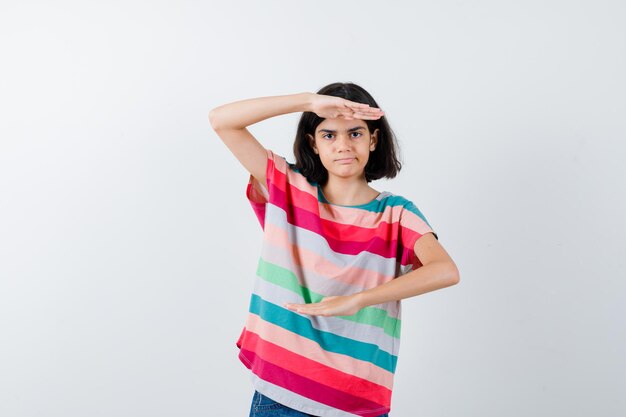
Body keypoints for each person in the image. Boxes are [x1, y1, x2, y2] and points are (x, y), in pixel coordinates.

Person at [208, 82, 460, 417]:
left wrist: (356, 300)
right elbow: (222, 120)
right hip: (282, 394)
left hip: (356, 400)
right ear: (312, 143)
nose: (343, 145)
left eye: (355, 133)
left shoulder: (396, 214)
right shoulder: (288, 187)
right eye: (329, 135)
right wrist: (309, 101)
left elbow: (445, 270)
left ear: (373, 139)